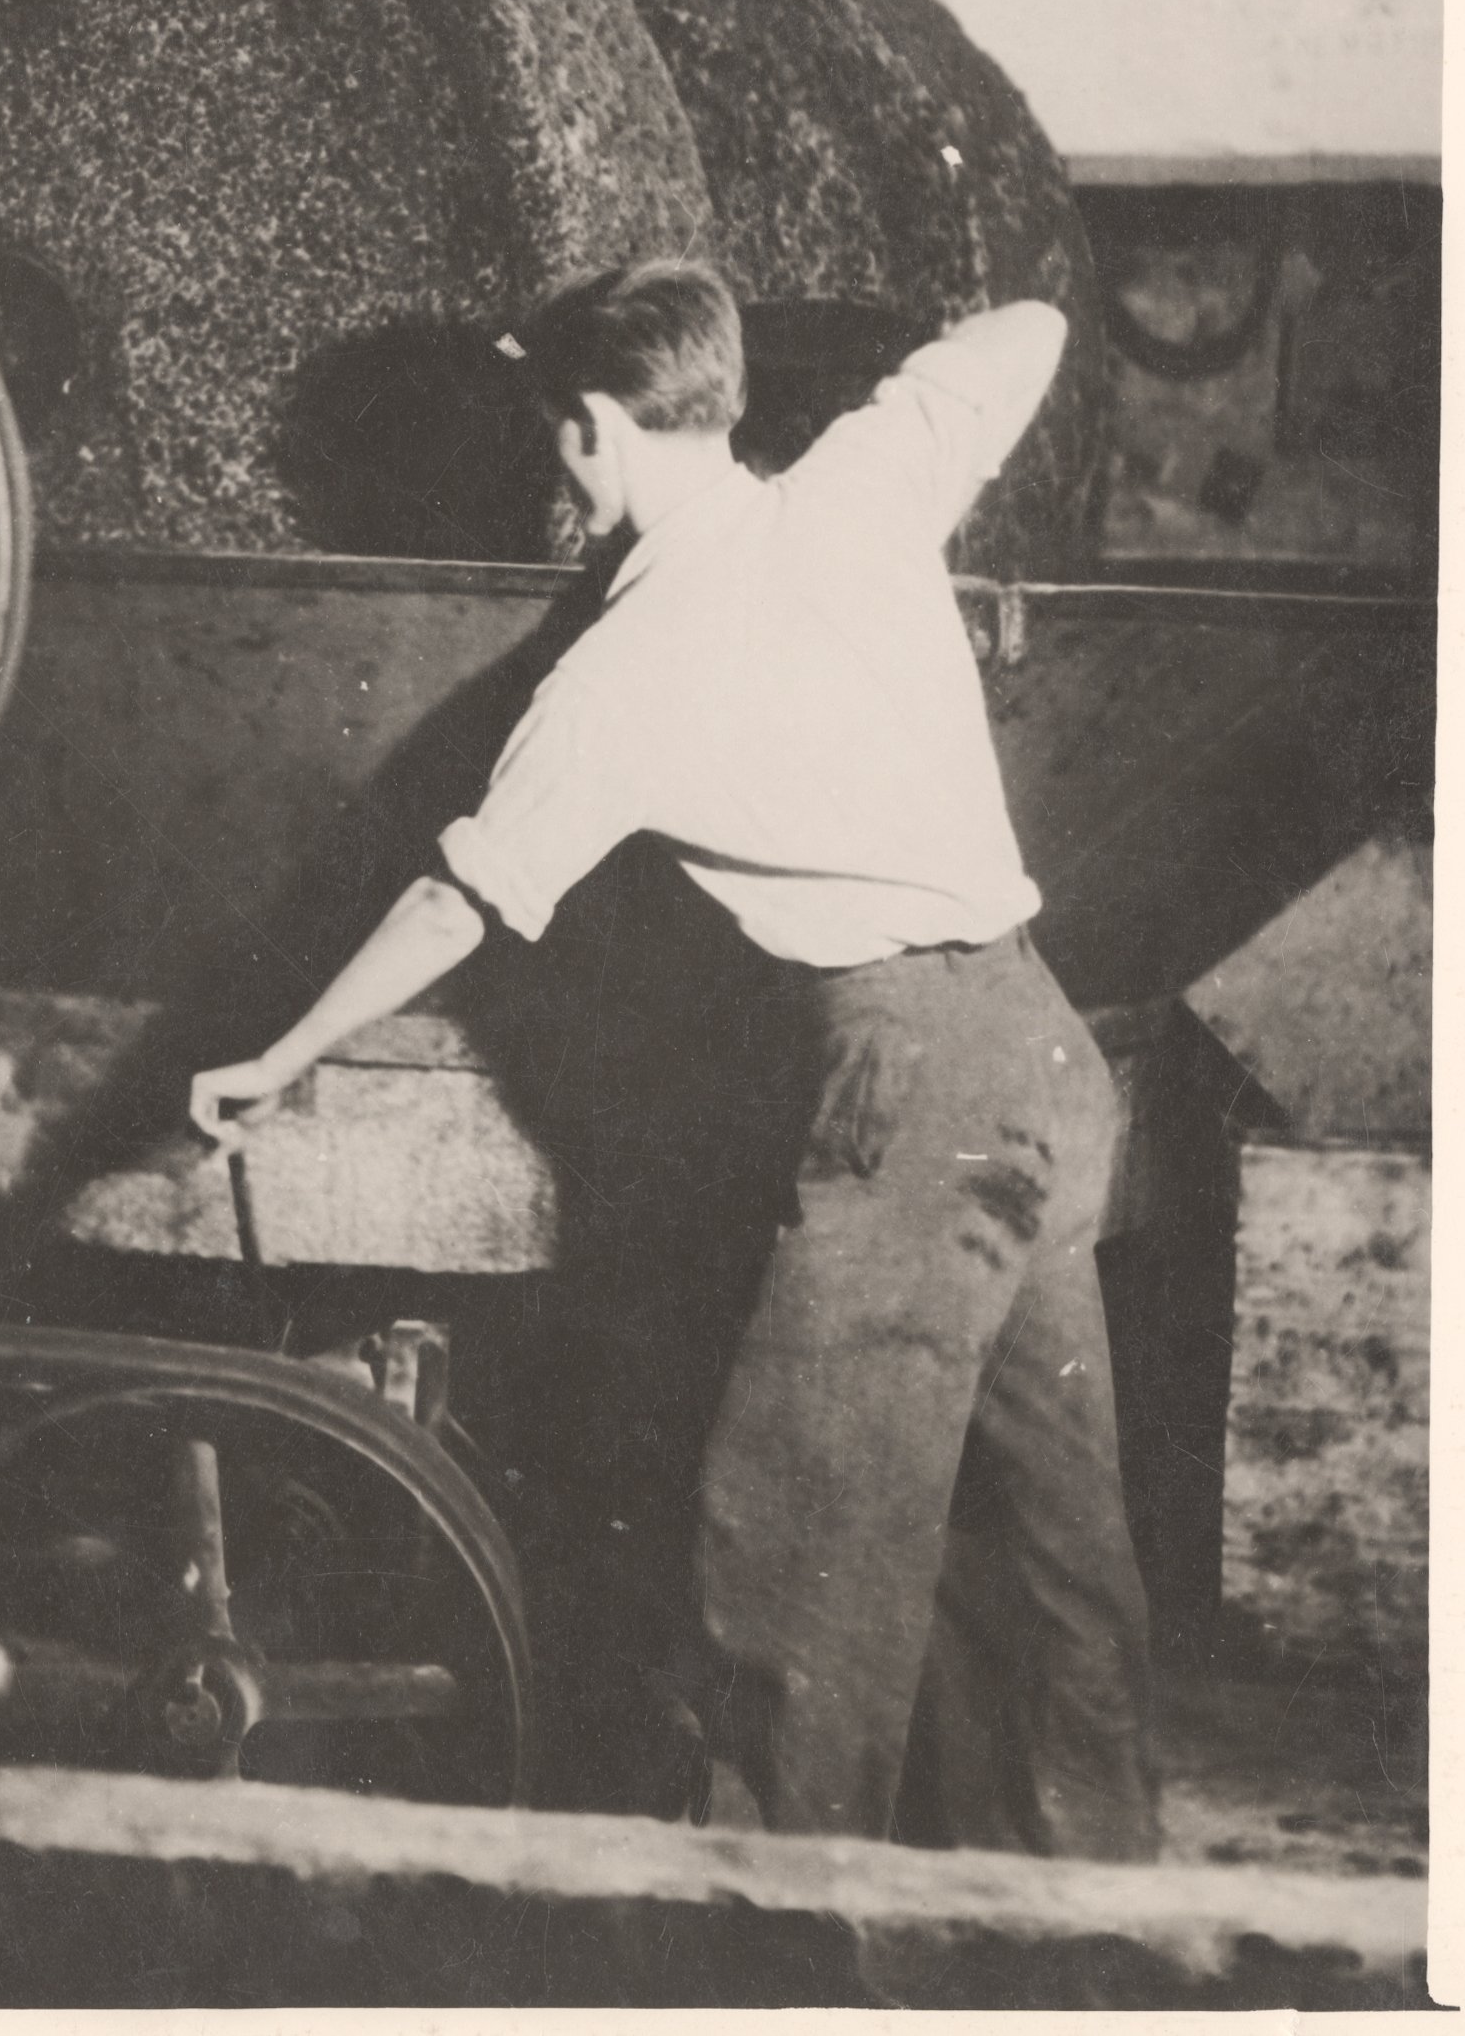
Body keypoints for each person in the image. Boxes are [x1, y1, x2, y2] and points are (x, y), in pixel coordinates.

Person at [190, 259, 1157, 1860]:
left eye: (554, 434)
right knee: (1050, 1571)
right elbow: (1038, 325)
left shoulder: (628, 667)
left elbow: (459, 897)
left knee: (791, 1582)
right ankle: (1107, 1950)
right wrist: (748, 359)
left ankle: (776, 1966)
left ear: (583, 431)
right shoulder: (864, 478)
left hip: (912, 1097)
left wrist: (276, 1050)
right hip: (1046, 1055)